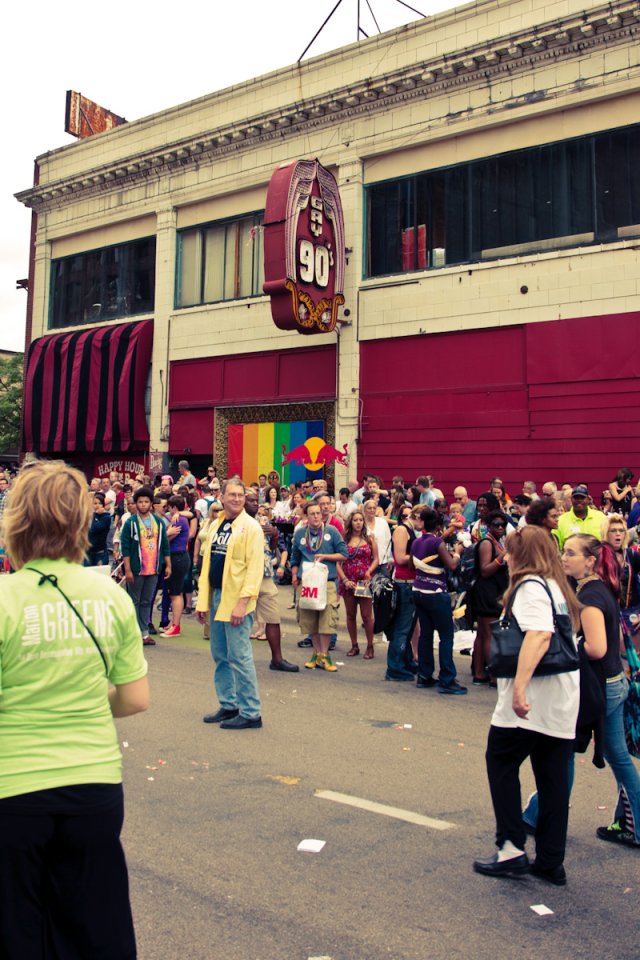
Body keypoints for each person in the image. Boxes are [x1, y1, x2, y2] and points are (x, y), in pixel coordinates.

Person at [0, 460, 149, 958]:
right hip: (94, 784)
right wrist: (84, 699)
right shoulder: (110, 595)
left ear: (16, 520)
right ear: (82, 521)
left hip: (14, 787)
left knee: (17, 928)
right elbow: (134, 698)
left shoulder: (4, 599)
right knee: (93, 927)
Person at [473, 526, 581, 885]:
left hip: (534, 697)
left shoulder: (530, 587)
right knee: (552, 780)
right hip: (561, 698)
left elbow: (539, 634)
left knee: (500, 761)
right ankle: (551, 860)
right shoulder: (557, 586)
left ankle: (511, 847)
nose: (505, 557)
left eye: (510, 551)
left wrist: (519, 689)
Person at [561, 535, 640, 847]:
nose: (563, 557)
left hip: (602, 686)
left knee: (566, 749)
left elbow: (596, 648)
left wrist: (568, 646)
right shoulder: (596, 589)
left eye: (570, 553)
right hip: (612, 682)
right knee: (616, 756)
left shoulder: (591, 597)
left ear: (590, 561)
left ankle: (542, 814)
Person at [196, 480, 264, 729]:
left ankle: (251, 712)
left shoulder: (252, 527)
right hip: (216, 596)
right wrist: (203, 601)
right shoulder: (216, 524)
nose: (237, 498)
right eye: (232, 494)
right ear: (221, 497)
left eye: (241, 495)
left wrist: (242, 603)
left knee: (240, 656)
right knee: (220, 655)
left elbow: (255, 570)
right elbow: (206, 565)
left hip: (237, 600)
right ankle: (229, 704)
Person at [411, 508, 466, 694]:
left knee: (426, 634)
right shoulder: (437, 543)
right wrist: (457, 553)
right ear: (439, 526)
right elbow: (451, 565)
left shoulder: (417, 542)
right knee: (446, 636)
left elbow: (413, 564)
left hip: (418, 590)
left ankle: (425, 675)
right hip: (436, 592)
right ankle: (447, 679)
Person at [243, 489, 299, 672]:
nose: (253, 503)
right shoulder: (238, 522)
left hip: (265, 574)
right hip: (244, 576)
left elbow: (271, 548)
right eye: (249, 500)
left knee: (273, 617)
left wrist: (274, 535)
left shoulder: (262, 522)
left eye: (255, 500)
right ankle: (238, 658)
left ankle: (277, 659)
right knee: (242, 619)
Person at [290, 500, 348, 672]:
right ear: (306, 517)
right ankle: (316, 653)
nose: (316, 516)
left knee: (327, 617)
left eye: (318, 513)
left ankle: (325, 655)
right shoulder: (300, 533)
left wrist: (325, 556)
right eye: (312, 514)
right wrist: (294, 575)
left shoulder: (332, 532)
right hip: (306, 582)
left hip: (327, 581)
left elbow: (344, 554)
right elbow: (295, 558)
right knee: (309, 619)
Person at [120, 485, 171, 647]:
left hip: (153, 569)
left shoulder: (158, 522)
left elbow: (164, 545)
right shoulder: (130, 523)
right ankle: (132, 634)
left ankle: (144, 634)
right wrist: (127, 569)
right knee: (133, 601)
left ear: (151, 504)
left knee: (146, 601)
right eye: (140, 502)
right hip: (136, 569)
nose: (143, 505)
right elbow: (125, 547)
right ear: (135, 504)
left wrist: (168, 565)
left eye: (146, 502)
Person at [471, 511, 510, 684]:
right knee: (489, 635)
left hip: (493, 591)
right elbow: (485, 570)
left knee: (482, 634)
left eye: (503, 524)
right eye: (496, 524)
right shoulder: (487, 543)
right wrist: (503, 556)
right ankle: (493, 676)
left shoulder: (497, 542)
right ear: (489, 526)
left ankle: (479, 673)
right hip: (487, 592)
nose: (500, 528)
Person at [337, 509, 379, 658]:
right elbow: (338, 562)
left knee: (367, 616)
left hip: (363, 582)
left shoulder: (369, 539)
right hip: (349, 581)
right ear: (350, 522)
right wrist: (344, 580)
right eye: (355, 520)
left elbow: (376, 559)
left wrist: (369, 572)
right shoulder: (344, 540)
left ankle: (370, 645)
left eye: (361, 520)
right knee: (350, 615)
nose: (358, 523)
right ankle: (354, 645)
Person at [385, 505, 420, 681]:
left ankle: (406, 662)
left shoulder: (409, 530)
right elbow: (400, 558)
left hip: (412, 583)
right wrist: (424, 556)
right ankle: (395, 667)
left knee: (410, 626)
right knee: (402, 627)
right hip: (404, 583)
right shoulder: (401, 530)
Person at [162, 494, 192, 637]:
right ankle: (173, 624)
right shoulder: (181, 518)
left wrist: (165, 534)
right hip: (179, 557)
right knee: (175, 592)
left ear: (174, 507)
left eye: (169, 507)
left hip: (177, 557)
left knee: (175, 593)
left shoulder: (178, 519)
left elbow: (166, 540)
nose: (168, 510)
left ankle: (176, 626)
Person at [554, 484, 606, 550]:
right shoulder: (561, 521)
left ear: (588, 499)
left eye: (582, 498)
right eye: (576, 498)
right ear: (571, 499)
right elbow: (556, 548)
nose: (579, 500)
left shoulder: (601, 517)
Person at [86, 492, 111, 566]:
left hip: (100, 553)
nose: (97, 505)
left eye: (100, 503)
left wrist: (95, 515)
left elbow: (94, 529)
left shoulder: (106, 517)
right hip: (88, 552)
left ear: (103, 505)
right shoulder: (89, 516)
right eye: (95, 503)